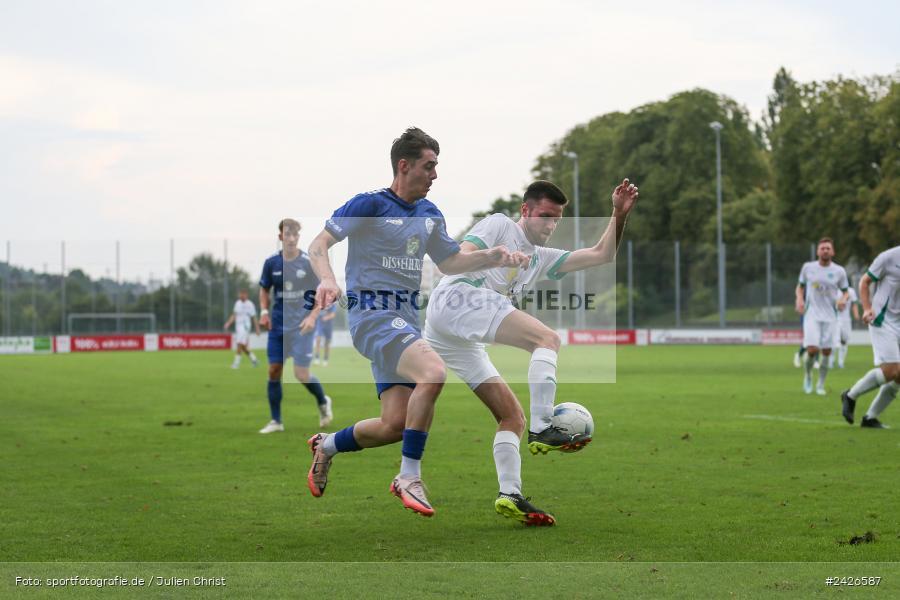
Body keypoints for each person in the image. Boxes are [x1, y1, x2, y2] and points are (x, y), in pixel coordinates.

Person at [305, 127, 521, 517]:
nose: (435, 175)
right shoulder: (369, 204)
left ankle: (329, 445)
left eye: (436, 166)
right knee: (434, 372)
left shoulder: (429, 215)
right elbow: (318, 244)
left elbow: (451, 262)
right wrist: (326, 278)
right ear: (404, 166)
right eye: (429, 166)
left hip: (405, 324)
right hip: (372, 317)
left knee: (394, 425)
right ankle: (409, 475)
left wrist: (493, 257)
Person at [423, 178, 638, 525]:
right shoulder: (499, 224)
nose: (550, 225)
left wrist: (618, 214)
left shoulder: (541, 257)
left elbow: (603, 255)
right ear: (525, 210)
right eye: (544, 216)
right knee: (547, 339)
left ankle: (510, 494)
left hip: (452, 335)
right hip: (457, 299)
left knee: (511, 417)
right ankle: (543, 427)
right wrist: (495, 256)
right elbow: (458, 256)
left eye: (556, 219)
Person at [258, 219, 333, 433]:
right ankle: (276, 421)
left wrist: (312, 317)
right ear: (280, 236)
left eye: (295, 235)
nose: (291, 238)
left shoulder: (308, 263)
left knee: (301, 375)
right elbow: (264, 289)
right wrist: (264, 312)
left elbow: (322, 293)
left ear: (298, 237)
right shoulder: (271, 263)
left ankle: (322, 401)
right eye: (287, 234)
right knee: (274, 371)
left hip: (302, 327)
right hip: (278, 326)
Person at [841, 245, 900, 428]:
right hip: (883, 320)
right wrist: (867, 309)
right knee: (891, 371)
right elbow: (864, 282)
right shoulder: (889, 257)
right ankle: (850, 395)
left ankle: (870, 418)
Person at [794, 238, 849, 395]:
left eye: (828, 248)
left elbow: (845, 291)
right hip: (812, 316)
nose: (825, 250)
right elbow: (800, 287)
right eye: (822, 248)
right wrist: (799, 300)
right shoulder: (808, 268)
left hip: (831, 317)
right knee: (812, 350)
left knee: (826, 352)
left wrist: (842, 300)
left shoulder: (839, 271)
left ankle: (820, 384)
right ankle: (808, 376)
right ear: (818, 251)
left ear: (833, 252)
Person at [224, 289, 261, 369]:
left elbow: (254, 317)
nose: (241, 296)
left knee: (239, 344)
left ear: (246, 295)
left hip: (245, 326)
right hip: (238, 326)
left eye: (242, 294)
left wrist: (257, 328)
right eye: (240, 294)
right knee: (243, 346)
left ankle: (236, 364)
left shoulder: (250, 304)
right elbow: (234, 315)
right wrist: (228, 323)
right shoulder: (237, 303)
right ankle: (254, 360)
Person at [828, 283, 860, 369]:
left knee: (844, 341)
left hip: (847, 320)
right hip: (835, 319)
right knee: (835, 341)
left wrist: (856, 315)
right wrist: (838, 305)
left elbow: (854, 304)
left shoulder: (851, 291)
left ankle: (841, 362)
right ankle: (831, 362)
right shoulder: (834, 290)